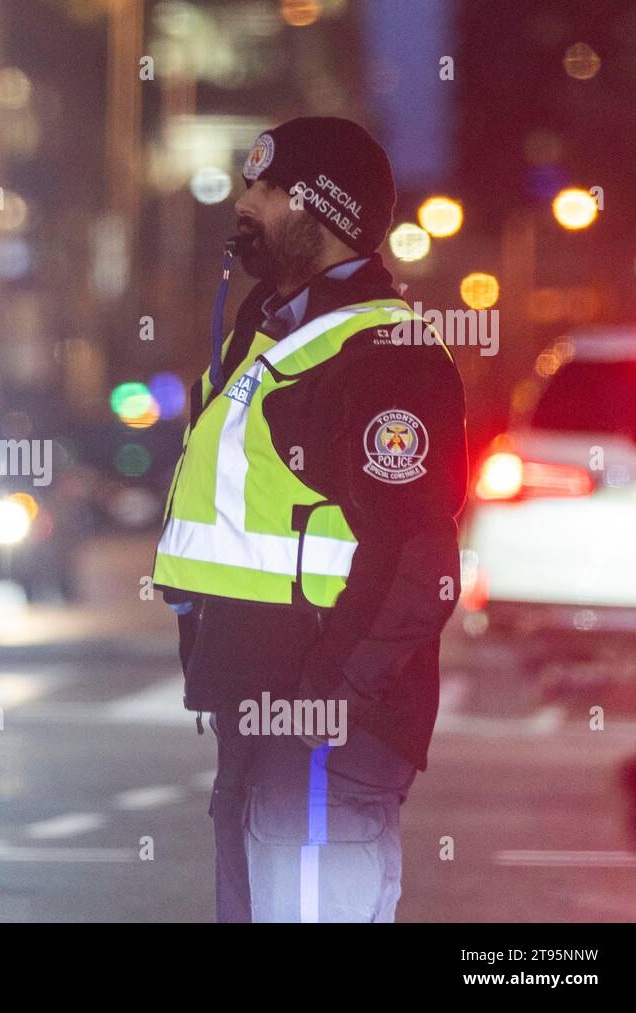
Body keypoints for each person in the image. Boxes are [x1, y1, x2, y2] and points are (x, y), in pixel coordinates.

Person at [152, 117, 468, 922]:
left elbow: (418, 565)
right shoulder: (266, 338)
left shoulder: (383, 355)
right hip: (257, 720)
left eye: (268, 187)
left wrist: (326, 700)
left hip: (322, 734)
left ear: (321, 212)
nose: (246, 200)